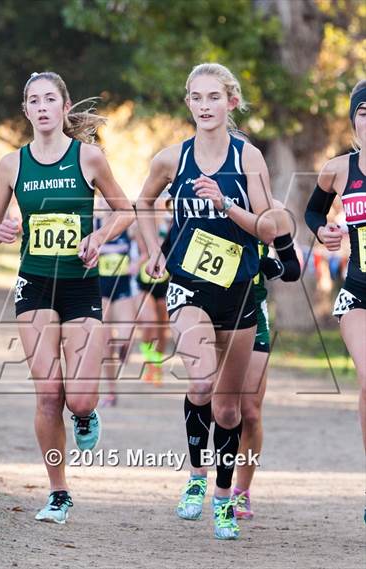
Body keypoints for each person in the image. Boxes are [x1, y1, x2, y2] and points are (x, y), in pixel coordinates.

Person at [0, 71, 134, 524]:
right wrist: (1, 230)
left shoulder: (88, 158)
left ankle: (86, 416)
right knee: (48, 394)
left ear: (64, 107)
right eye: (34, 100)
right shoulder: (12, 165)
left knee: (81, 399)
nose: (43, 106)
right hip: (34, 283)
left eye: (51, 99)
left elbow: (125, 211)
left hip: (79, 283)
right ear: (26, 110)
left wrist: (101, 235)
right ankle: (58, 491)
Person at [137, 62, 277, 540]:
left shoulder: (249, 158)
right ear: (188, 104)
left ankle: (223, 499)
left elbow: (268, 226)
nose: (204, 106)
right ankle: (196, 480)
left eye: (214, 97)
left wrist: (225, 204)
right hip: (188, 285)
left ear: (231, 102)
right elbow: (141, 202)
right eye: (196, 98)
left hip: (238, 291)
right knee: (199, 383)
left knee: (230, 412)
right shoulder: (171, 158)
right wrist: (152, 248)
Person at [305, 79, 366, 523]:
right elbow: (312, 211)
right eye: (364, 113)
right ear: (354, 121)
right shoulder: (340, 169)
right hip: (358, 294)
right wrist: (323, 231)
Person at [233, 200, 301, 519]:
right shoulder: (204, 202)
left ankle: (240, 491)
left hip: (253, 312)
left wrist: (273, 264)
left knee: (250, 410)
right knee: (213, 400)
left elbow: (293, 268)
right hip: (208, 310)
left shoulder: (273, 209)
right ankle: (198, 477)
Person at [95, 197, 137, 407]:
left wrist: (136, 265)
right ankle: (111, 392)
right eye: (102, 202)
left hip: (123, 287)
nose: (106, 206)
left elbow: (147, 251)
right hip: (101, 289)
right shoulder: (93, 226)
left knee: (125, 339)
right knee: (104, 345)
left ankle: (123, 348)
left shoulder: (129, 227)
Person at [135, 196, 171, 385]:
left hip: (165, 280)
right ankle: (149, 361)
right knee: (150, 322)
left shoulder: (170, 222)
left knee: (162, 327)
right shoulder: (143, 223)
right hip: (144, 279)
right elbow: (144, 249)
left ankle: (156, 365)